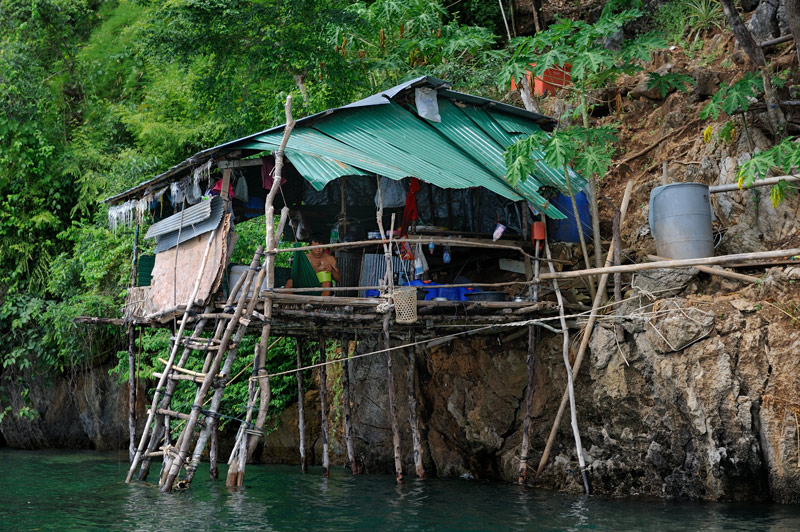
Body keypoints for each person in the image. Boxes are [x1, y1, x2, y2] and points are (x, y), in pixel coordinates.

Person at [285, 232, 341, 296]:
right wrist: (312, 268)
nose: (317, 250)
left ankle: (320, 305)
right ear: (310, 247)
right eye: (315, 247)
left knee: (327, 284)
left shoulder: (330, 259)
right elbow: (297, 276)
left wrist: (332, 270)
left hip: (322, 287)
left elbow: (339, 279)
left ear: (324, 246)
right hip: (306, 285)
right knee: (289, 282)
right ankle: (286, 304)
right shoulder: (305, 259)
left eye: (320, 247)